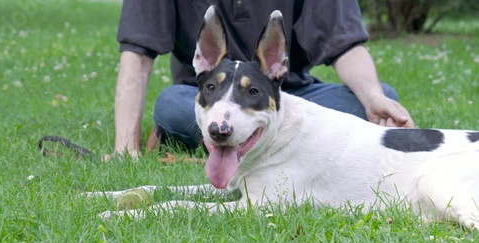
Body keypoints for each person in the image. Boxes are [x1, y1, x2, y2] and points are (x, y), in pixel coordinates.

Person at [113, 0, 414, 158]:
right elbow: (136, 56)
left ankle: (266, 134)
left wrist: (373, 97)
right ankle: (271, 141)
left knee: (377, 98)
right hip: (208, 99)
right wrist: (125, 147)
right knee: (170, 106)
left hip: (288, 97)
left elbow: (344, 43)